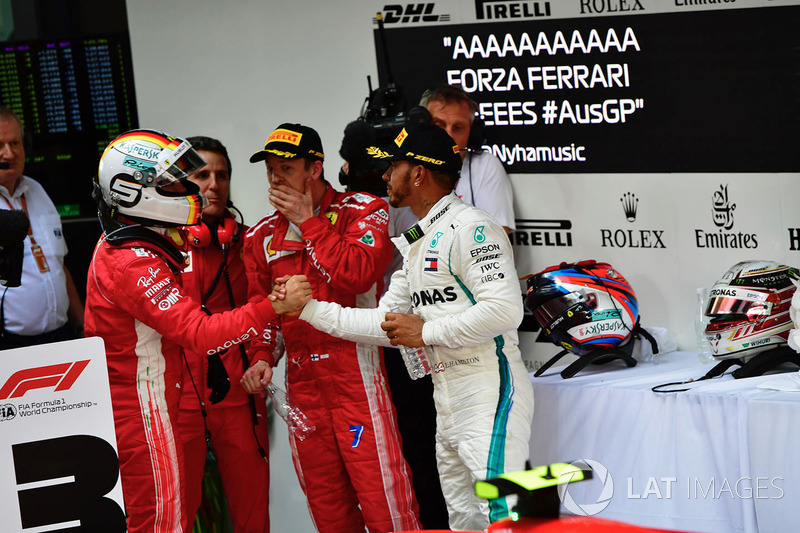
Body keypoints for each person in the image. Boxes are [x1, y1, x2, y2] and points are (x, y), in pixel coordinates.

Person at [296, 121, 534, 530]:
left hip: (489, 391)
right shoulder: (419, 240)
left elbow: (505, 311)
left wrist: (424, 333)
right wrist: (307, 310)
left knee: (509, 520)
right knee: (464, 520)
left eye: (393, 167)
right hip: (446, 396)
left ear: (419, 173)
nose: (385, 175)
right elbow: (385, 323)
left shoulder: (472, 228)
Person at [84, 129, 310, 533]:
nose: (188, 189)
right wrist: (273, 306)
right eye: (172, 182)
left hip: (169, 402)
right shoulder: (131, 260)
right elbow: (200, 333)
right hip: (145, 411)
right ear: (133, 190)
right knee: (162, 523)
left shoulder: (143, 245)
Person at [240, 123, 420, 532]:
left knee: (386, 507)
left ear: (315, 168)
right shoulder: (259, 236)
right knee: (329, 512)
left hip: (358, 377)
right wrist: (262, 356)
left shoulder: (365, 209)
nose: (274, 178)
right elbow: (261, 311)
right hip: (303, 386)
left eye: (285, 167)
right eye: (270, 169)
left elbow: (357, 276)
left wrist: (309, 222)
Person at [338, 119, 449, 529]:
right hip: (379, 349)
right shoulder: (399, 206)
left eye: (386, 169)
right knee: (410, 461)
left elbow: (356, 278)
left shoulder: (397, 211)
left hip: (409, 349)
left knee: (420, 457)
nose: (382, 178)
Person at [176, 136, 270, 532]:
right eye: (202, 175)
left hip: (237, 390)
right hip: (179, 394)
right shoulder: (161, 242)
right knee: (178, 509)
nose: (214, 184)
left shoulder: (245, 242)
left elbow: (264, 310)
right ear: (182, 182)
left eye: (222, 175)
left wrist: (264, 354)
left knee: (252, 509)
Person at [0, 106, 84, 349]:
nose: (9, 153)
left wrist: (81, 327)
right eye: (1, 145)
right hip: (10, 345)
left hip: (61, 336)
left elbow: (58, 265)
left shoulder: (37, 191)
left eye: (15, 143)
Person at [420, 84, 516, 233]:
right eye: (439, 126)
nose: (448, 136)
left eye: (457, 128)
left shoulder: (485, 166)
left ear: (471, 135)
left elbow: (495, 238)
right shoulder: (400, 170)